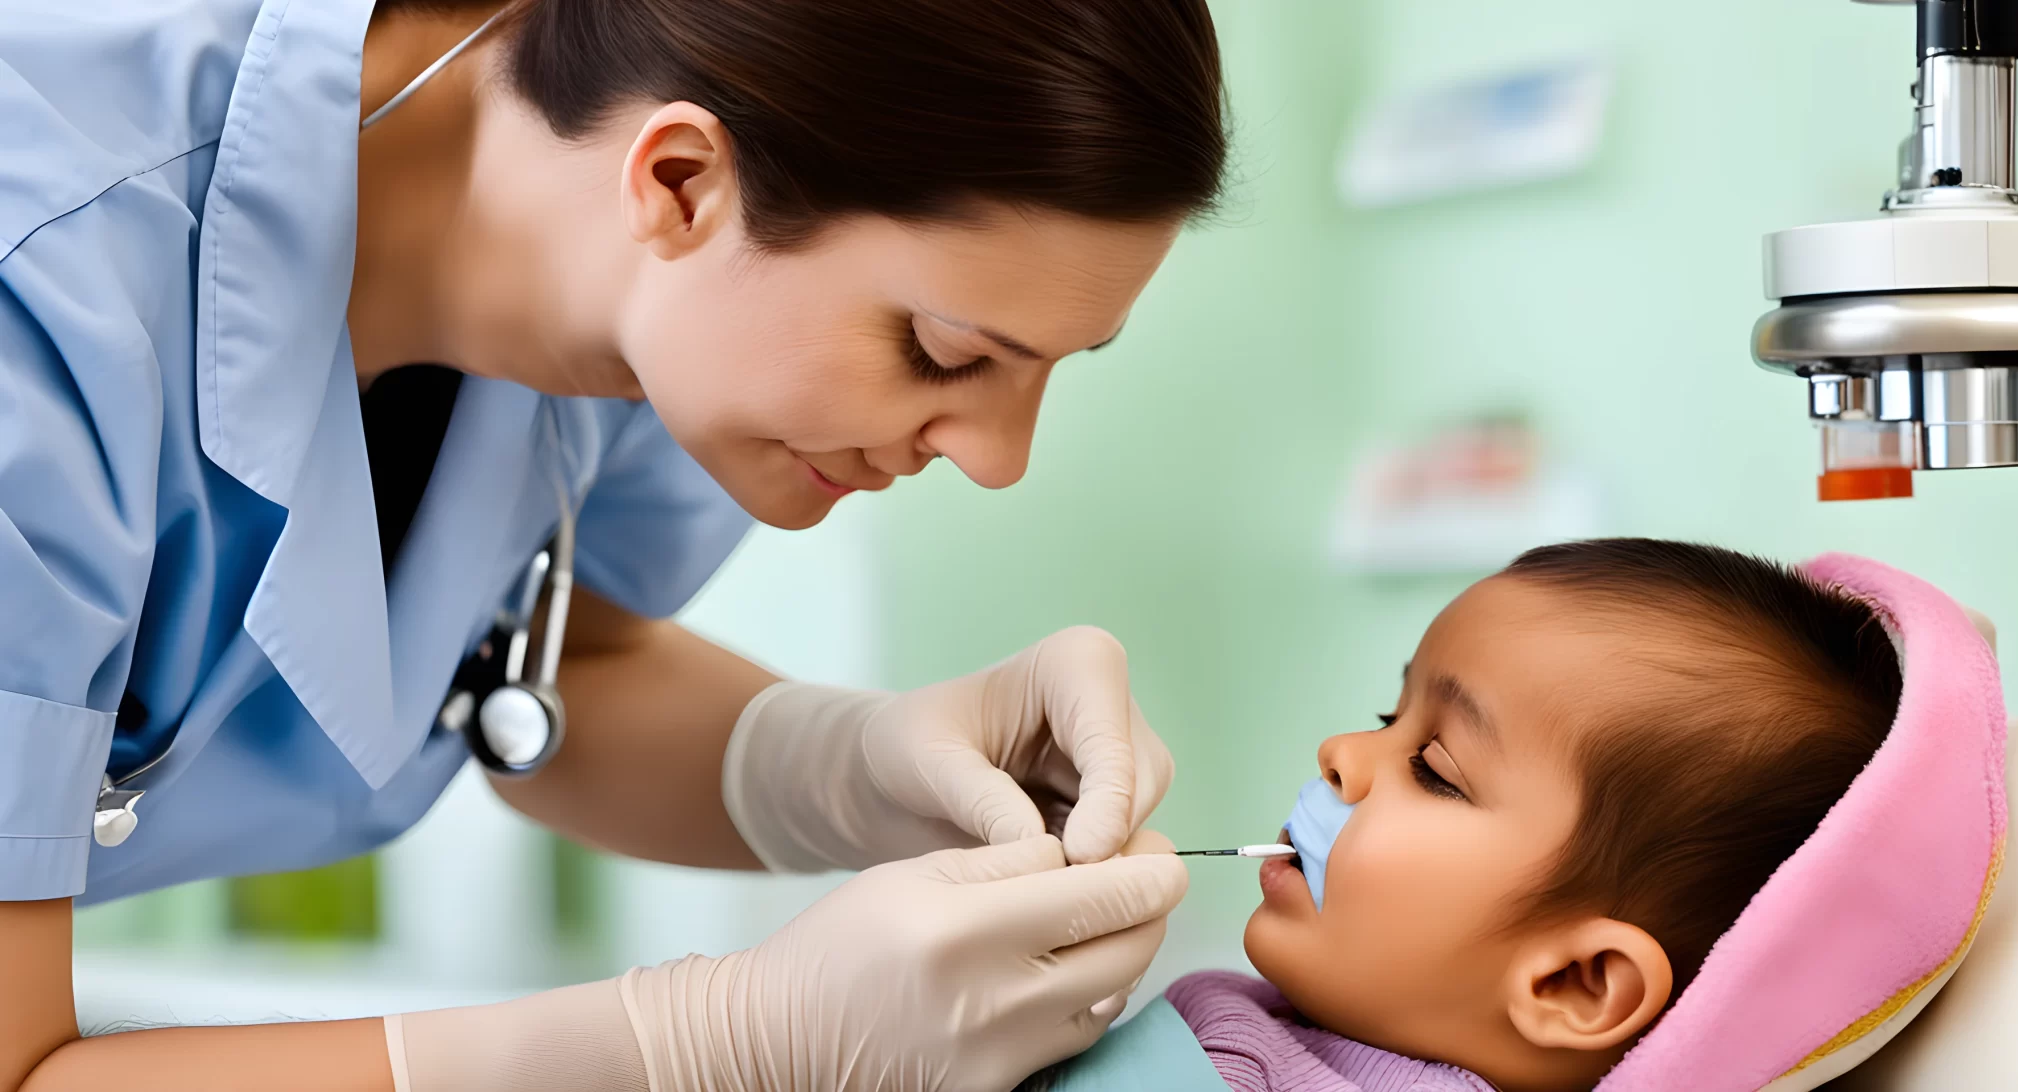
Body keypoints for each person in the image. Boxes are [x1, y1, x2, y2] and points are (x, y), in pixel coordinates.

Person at [0, 0, 1228, 1088]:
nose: (998, 458)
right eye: (948, 353)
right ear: (682, 179)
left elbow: (545, 672)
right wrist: (705, 1045)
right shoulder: (45, 294)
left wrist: (855, 765)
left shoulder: (625, 325)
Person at [1028, 539, 1909, 1091]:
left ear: (1576, 983)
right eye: (1388, 715)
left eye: (1434, 769)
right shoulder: (1277, 1022)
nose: (1341, 749)